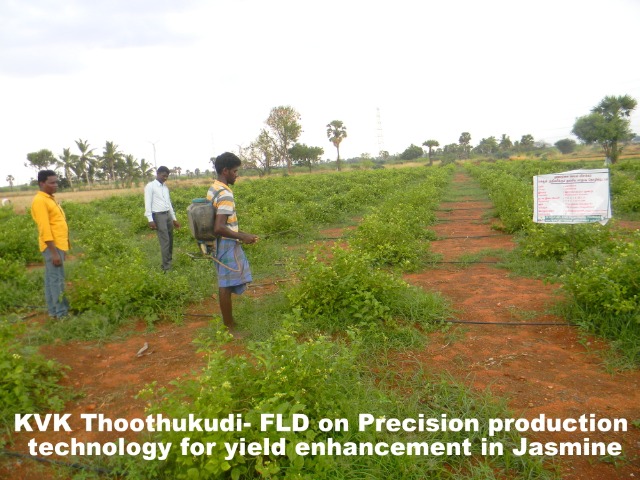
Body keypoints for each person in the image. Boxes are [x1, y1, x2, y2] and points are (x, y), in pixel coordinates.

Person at [208, 152, 258, 334]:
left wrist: (243, 234)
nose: (237, 175)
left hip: (220, 242)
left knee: (226, 282)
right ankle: (229, 327)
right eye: (235, 171)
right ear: (225, 171)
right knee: (226, 285)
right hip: (226, 243)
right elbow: (219, 227)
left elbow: (221, 225)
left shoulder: (214, 188)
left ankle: (229, 324)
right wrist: (242, 237)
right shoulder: (225, 194)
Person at [31, 170, 70, 319]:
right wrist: (54, 252)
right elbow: (44, 229)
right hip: (52, 246)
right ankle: (62, 314)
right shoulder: (40, 201)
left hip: (58, 245)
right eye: (52, 182)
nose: (56, 185)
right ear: (42, 183)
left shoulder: (49, 199)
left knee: (51, 280)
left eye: (56, 182)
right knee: (56, 281)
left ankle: (54, 312)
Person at [144, 166, 181, 272]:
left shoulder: (165, 187)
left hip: (167, 214)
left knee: (170, 240)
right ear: (158, 174)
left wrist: (174, 218)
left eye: (166, 176)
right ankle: (166, 267)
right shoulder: (150, 186)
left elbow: (169, 203)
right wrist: (150, 219)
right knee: (165, 241)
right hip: (158, 216)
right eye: (163, 175)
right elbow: (147, 203)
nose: (165, 178)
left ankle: (168, 261)